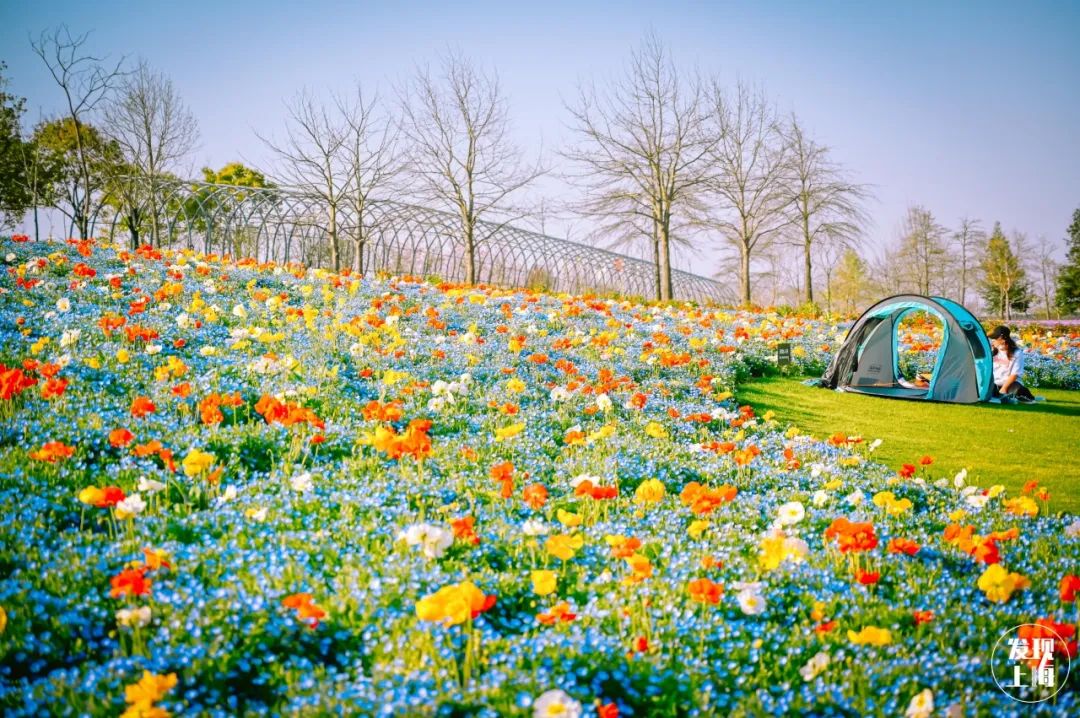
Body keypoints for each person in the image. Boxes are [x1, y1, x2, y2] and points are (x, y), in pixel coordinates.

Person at [987, 325, 1035, 403]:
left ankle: (1026, 396)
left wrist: (1004, 388)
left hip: (1010, 384)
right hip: (994, 383)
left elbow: (1014, 374)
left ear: (1002, 340)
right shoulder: (993, 351)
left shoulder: (1017, 353)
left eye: (995, 339)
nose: (992, 341)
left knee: (1018, 390)